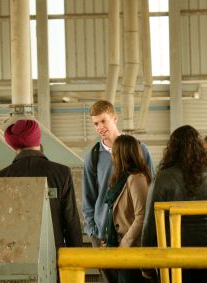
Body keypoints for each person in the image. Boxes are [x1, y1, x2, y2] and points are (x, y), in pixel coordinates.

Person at [142, 125, 207, 283]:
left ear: (172, 149)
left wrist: (146, 260)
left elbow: (150, 222)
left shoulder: (163, 178)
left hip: (173, 247)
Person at [82, 100, 153, 283]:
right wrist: (92, 230)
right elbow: (89, 196)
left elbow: (149, 189)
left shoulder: (139, 148)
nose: (100, 127)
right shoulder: (94, 154)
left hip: (132, 231)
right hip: (102, 232)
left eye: (103, 121)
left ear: (115, 118)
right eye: (96, 123)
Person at [0, 119, 82, 250]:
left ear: (13, 144)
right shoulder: (62, 173)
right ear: (38, 140)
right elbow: (71, 221)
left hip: (14, 257)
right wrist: (75, 262)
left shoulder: (0, 178)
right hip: (54, 256)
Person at [105, 135, 151, 283]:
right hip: (123, 247)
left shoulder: (136, 179)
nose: (112, 156)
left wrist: (124, 244)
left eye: (114, 152)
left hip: (133, 250)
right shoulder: (122, 179)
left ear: (121, 155)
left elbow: (142, 217)